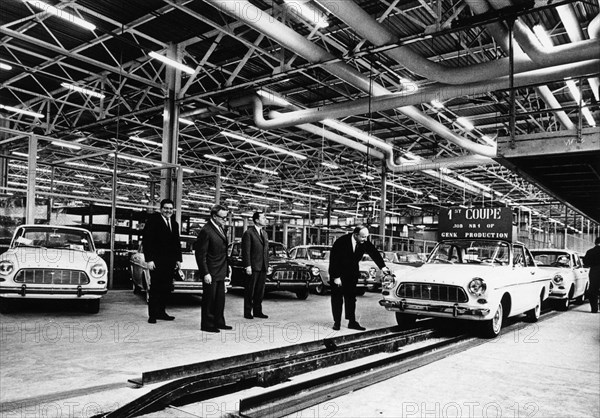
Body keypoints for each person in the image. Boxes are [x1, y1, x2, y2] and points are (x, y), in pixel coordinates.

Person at [329, 224, 390, 331]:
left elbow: (374, 253)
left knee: (351, 298)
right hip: (338, 273)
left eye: (366, 237)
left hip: (351, 274)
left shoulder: (363, 242)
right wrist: (336, 277)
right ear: (355, 234)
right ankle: (337, 322)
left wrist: (383, 267)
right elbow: (334, 260)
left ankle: (351, 322)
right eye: (363, 237)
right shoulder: (341, 242)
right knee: (337, 298)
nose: (365, 239)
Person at [142, 198, 182, 324]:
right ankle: (152, 315)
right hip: (156, 261)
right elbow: (147, 241)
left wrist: (178, 259)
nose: (168, 211)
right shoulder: (153, 221)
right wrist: (149, 260)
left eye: (170, 208)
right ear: (161, 209)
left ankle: (162, 312)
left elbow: (176, 243)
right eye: (166, 208)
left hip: (169, 262)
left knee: (166, 288)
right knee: (155, 288)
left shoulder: (174, 224)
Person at [195, 204, 232, 332]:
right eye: (222, 218)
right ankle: (207, 324)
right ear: (214, 216)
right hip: (211, 271)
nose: (224, 220)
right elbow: (200, 254)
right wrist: (205, 272)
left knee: (220, 299)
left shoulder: (221, 228)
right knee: (209, 299)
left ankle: (219, 321)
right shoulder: (206, 230)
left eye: (226, 217)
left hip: (220, 270)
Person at [242, 211, 270, 319]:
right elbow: (246, 251)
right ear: (257, 220)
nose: (265, 220)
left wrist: (267, 265)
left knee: (260, 291)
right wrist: (247, 265)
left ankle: (258, 311)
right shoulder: (249, 233)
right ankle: (247, 312)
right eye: (263, 218)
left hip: (263, 266)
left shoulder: (265, 233)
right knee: (250, 290)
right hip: (253, 266)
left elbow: (266, 251)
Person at [583, 237, 600, 313]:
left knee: (593, 290)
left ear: (595, 243)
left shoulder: (590, 251)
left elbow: (585, 262)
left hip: (594, 271)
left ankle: (594, 308)